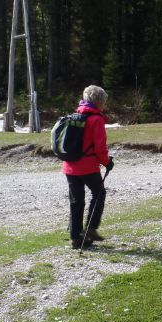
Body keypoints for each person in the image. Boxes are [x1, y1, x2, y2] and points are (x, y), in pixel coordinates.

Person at [62, 85, 114, 249]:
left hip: (69, 166)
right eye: (104, 103)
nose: (104, 106)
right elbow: (99, 148)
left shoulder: (74, 116)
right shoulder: (96, 120)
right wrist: (107, 162)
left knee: (76, 201)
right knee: (99, 193)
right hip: (88, 166)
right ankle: (91, 228)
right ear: (99, 102)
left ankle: (76, 238)